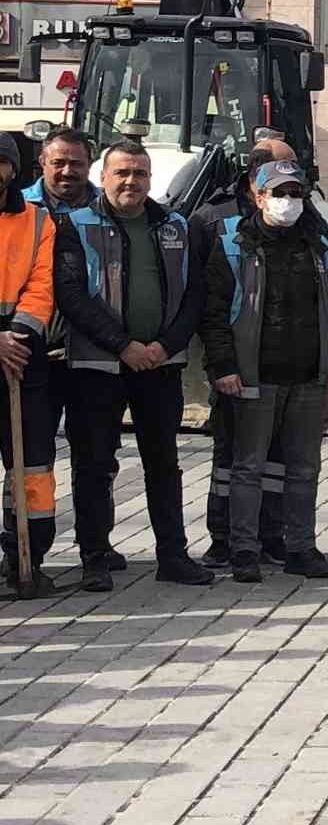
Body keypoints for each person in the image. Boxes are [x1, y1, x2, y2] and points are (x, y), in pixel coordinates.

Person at [51, 140, 212, 590]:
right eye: (121, 173)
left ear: (150, 179)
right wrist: (123, 345)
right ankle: (95, 558)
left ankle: (173, 555)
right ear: (103, 177)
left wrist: (164, 345)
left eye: (139, 173)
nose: (131, 181)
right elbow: (72, 296)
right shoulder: (74, 226)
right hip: (97, 368)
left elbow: (194, 294)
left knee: (164, 463)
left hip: (160, 366)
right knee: (95, 464)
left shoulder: (175, 225)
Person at [202, 160, 328, 582]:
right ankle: (244, 549)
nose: (288, 202)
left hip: (309, 376)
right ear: (259, 196)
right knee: (247, 466)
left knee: (305, 467)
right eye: (280, 193)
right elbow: (213, 314)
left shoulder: (319, 248)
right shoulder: (234, 245)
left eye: (296, 194)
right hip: (254, 376)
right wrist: (224, 367)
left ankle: (300, 547)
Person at [13, 128, 122, 576]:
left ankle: (95, 549)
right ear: (42, 163)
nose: (67, 171)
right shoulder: (17, 209)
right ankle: (26, 554)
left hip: (91, 353)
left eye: (76, 163)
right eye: (58, 162)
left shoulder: (106, 209)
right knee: (31, 459)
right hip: (31, 354)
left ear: (89, 164)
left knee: (97, 456)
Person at [189, 141, 297, 568]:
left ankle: (270, 533)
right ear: (256, 180)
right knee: (230, 455)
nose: (289, 193)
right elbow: (203, 295)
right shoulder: (211, 219)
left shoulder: (301, 218)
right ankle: (223, 535)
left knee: (275, 457)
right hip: (234, 360)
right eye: (279, 178)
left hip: (283, 359)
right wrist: (219, 361)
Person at [0, 134, 59, 591]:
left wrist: (16, 338)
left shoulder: (38, 222)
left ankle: (27, 555)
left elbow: (42, 285)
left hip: (22, 355)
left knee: (32, 465)